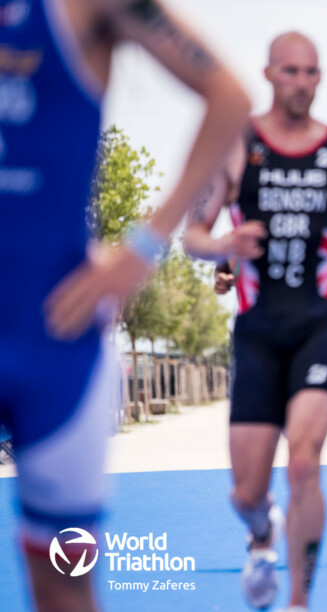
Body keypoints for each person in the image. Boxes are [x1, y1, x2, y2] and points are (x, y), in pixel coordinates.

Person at [1, 3, 250, 611]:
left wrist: (141, 246)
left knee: (64, 579)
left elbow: (229, 96)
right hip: (55, 338)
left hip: (53, 339)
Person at [183, 32, 327, 611]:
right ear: (270, 74)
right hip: (258, 328)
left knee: (304, 462)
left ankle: (299, 599)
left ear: (318, 77)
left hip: (318, 321)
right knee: (246, 490)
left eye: (311, 72)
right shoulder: (237, 144)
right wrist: (224, 244)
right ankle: (261, 531)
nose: (301, 82)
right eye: (290, 71)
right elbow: (194, 236)